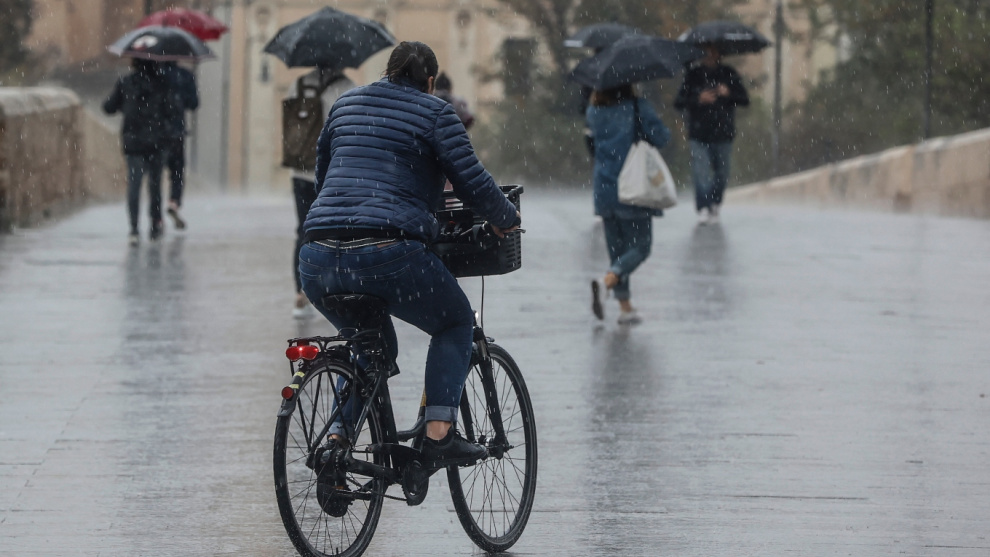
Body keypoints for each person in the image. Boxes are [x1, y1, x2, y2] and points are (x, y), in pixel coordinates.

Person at [298, 41, 520, 465]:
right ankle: (439, 435)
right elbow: (472, 181)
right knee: (455, 321)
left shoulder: (345, 105)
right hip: (386, 252)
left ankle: (336, 446)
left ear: (388, 71)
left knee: (370, 347)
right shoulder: (437, 112)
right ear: (430, 82)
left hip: (316, 257)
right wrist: (505, 217)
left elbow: (323, 178)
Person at [587, 83, 671, 325]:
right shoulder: (636, 107)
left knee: (618, 251)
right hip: (632, 186)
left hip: (604, 188)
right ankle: (607, 282)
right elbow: (661, 137)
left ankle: (625, 308)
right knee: (641, 247)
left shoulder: (594, 111)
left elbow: (592, 146)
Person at [284, 66, 355, 319]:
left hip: (300, 170)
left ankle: (301, 290)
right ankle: (331, 289)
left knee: (303, 230)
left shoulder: (298, 85)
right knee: (335, 230)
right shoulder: (347, 88)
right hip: (330, 172)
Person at [673, 43, 749, 225]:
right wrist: (698, 99)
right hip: (698, 134)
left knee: (722, 174)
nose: (709, 54)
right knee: (701, 173)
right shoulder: (693, 75)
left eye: (712, 51)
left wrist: (728, 93)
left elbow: (744, 99)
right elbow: (679, 102)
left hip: (723, 134)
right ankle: (703, 207)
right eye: (706, 51)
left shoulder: (729, 74)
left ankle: (715, 202)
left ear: (718, 53)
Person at [103, 58, 171, 245]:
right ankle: (155, 224)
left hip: (133, 143)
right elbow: (171, 110)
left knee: (134, 184)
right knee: (155, 185)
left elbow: (108, 107)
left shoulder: (126, 82)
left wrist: (125, 105)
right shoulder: (162, 83)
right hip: (157, 142)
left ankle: (134, 228)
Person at [161, 61, 199, 230]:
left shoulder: (154, 75)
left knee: (155, 174)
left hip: (157, 132)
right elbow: (194, 103)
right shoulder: (185, 75)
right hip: (177, 132)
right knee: (177, 172)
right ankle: (174, 202)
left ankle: (156, 215)